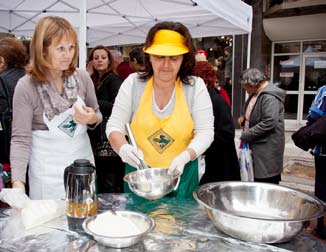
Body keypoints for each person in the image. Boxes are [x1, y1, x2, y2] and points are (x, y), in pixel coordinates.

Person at [107, 21, 214, 198]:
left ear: (184, 59)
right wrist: (123, 148)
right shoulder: (133, 84)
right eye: (159, 57)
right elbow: (114, 127)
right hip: (140, 177)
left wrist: (185, 157)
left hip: (183, 176)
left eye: (174, 58)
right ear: (148, 56)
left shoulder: (195, 87)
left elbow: (206, 132)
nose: (165, 65)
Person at [10, 16, 102, 200]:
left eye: (71, 47)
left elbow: (98, 115)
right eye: (60, 48)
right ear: (43, 50)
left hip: (82, 165)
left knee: (84, 218)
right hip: (46, 173)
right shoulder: (26, 87)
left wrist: (91, 118)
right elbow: (20, 139)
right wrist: (18, 184)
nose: (68, 55)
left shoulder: (82, 78)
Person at [193, 61, 240, 184]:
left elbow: (227, 134)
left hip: (221, 164)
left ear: (206, 81)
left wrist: (203, 144)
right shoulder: (204, 99)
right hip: (212, 162)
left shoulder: (217, 101)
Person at [86, 45, 125, 193]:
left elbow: (118, 106)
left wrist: (95, 102)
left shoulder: (113, 79)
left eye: (103, 57)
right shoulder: (96, 80)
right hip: (98, 136)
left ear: (109, 60)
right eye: (96, 58)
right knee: (102, 175)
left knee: (109, 177)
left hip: (109, 139)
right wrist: (88, 75)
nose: (100, 61)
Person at [237, 68, 285, 184]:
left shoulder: (269, 96)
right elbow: (255, 111)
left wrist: (247, 134)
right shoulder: (256, 93)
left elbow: (269, 121)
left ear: (252, 83)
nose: (245, 89)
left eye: (245, 86)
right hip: (258, 146)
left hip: (266, 149)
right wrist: (245, 118)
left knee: (266, 183)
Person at [0, 37, 27, 179]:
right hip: (35, 146)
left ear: (2, 60)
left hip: (10, 146)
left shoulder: (1, 80)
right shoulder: (31, 76)